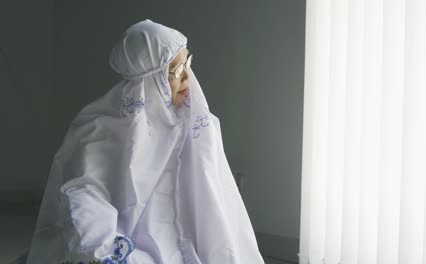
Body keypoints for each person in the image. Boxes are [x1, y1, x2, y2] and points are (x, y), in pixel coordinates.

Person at [25, 19, 265, 264]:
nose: (187, 79)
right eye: (176, 71)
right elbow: (84, 194)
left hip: (186, 245)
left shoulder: (197, 126)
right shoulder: (103, 130)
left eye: (187, 65)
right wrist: (105, 248)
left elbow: (218, 200)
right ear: (151, 81)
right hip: (131, 245)